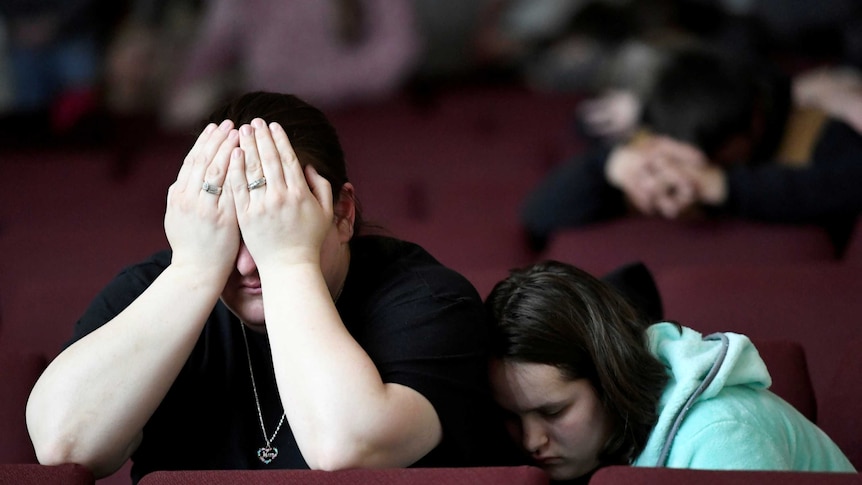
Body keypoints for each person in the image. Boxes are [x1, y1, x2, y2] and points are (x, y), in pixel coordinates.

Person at [26, 91, 518, 483]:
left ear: (342, 213)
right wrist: (195, 270)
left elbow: (344, 450)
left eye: (272, 221)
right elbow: (63, 446)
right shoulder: (162, 286)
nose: (244, 263)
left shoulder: (428, 301)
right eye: (229, 228)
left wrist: (288, 258)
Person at [485, 260, 856, 484]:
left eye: (553, 412)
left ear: (610, 380)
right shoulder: (594, 446)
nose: (531, 441)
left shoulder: (720, 438)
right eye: (511, 417)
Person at [520, 47, 862, 254]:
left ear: (755, 122)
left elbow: (847, 188)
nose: (691, 163)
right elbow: (538, 216)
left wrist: (720, 184)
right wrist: (612, 164)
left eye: (717, 152)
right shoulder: (660, 132)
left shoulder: (816, 130)